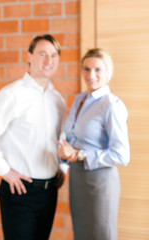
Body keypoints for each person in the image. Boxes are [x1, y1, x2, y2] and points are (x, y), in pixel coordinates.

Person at [0, 35, 66, 240]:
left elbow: (61, 139)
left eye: (54, 55)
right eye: (42, 54)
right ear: (29, 57)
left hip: (49, 191)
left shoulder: (58, 100)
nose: (49, 61)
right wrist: (6, 172)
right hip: (20, 190)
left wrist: (63, 168)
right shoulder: (13, 94)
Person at [57, 48, 130, 240]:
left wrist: (81, 154)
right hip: (77, 179)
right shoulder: (79, 99)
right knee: (82, 234)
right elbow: (72, 140)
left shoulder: (111, 105)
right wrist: (64, 157)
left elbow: (121, 155)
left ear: (108, 72)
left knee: (101, 235)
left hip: (100, 183)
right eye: (86, 69)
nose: (91, 75)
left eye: (98, 69)